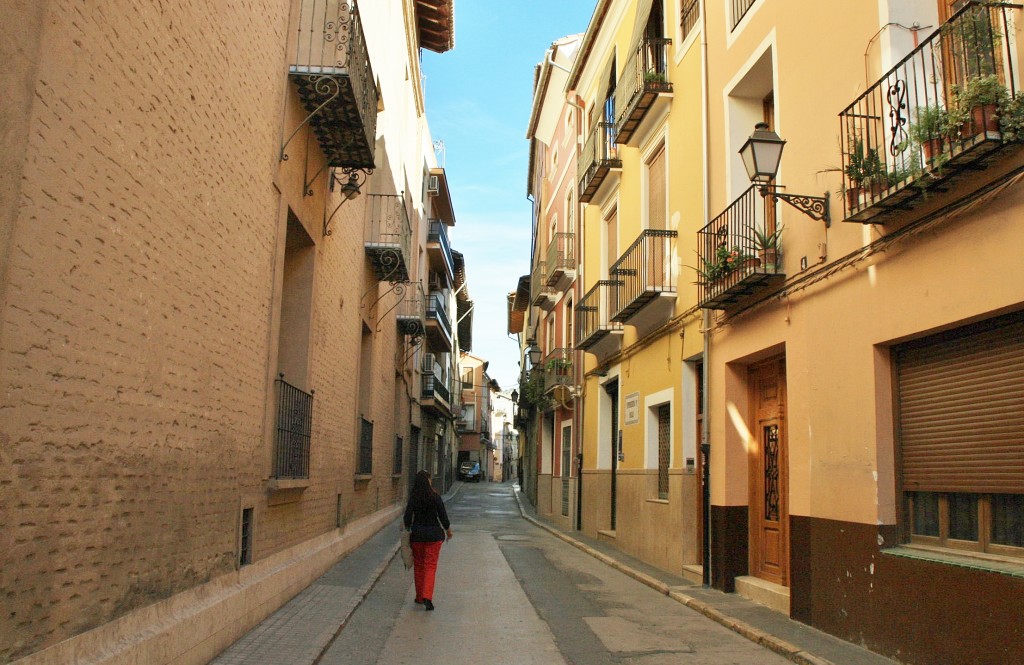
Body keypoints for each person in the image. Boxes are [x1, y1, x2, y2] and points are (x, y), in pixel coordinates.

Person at [403, 470, 452, 611]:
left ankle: (419, 596)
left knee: (419, 565)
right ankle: (427, 597)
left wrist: (408, 528)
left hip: (417, 536)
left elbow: (407, 518)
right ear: (428, 481)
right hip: (434, 536)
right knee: (430, 566)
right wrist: (448, 530)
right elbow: (443, 516)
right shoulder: (435, 496)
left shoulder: (413, 497)